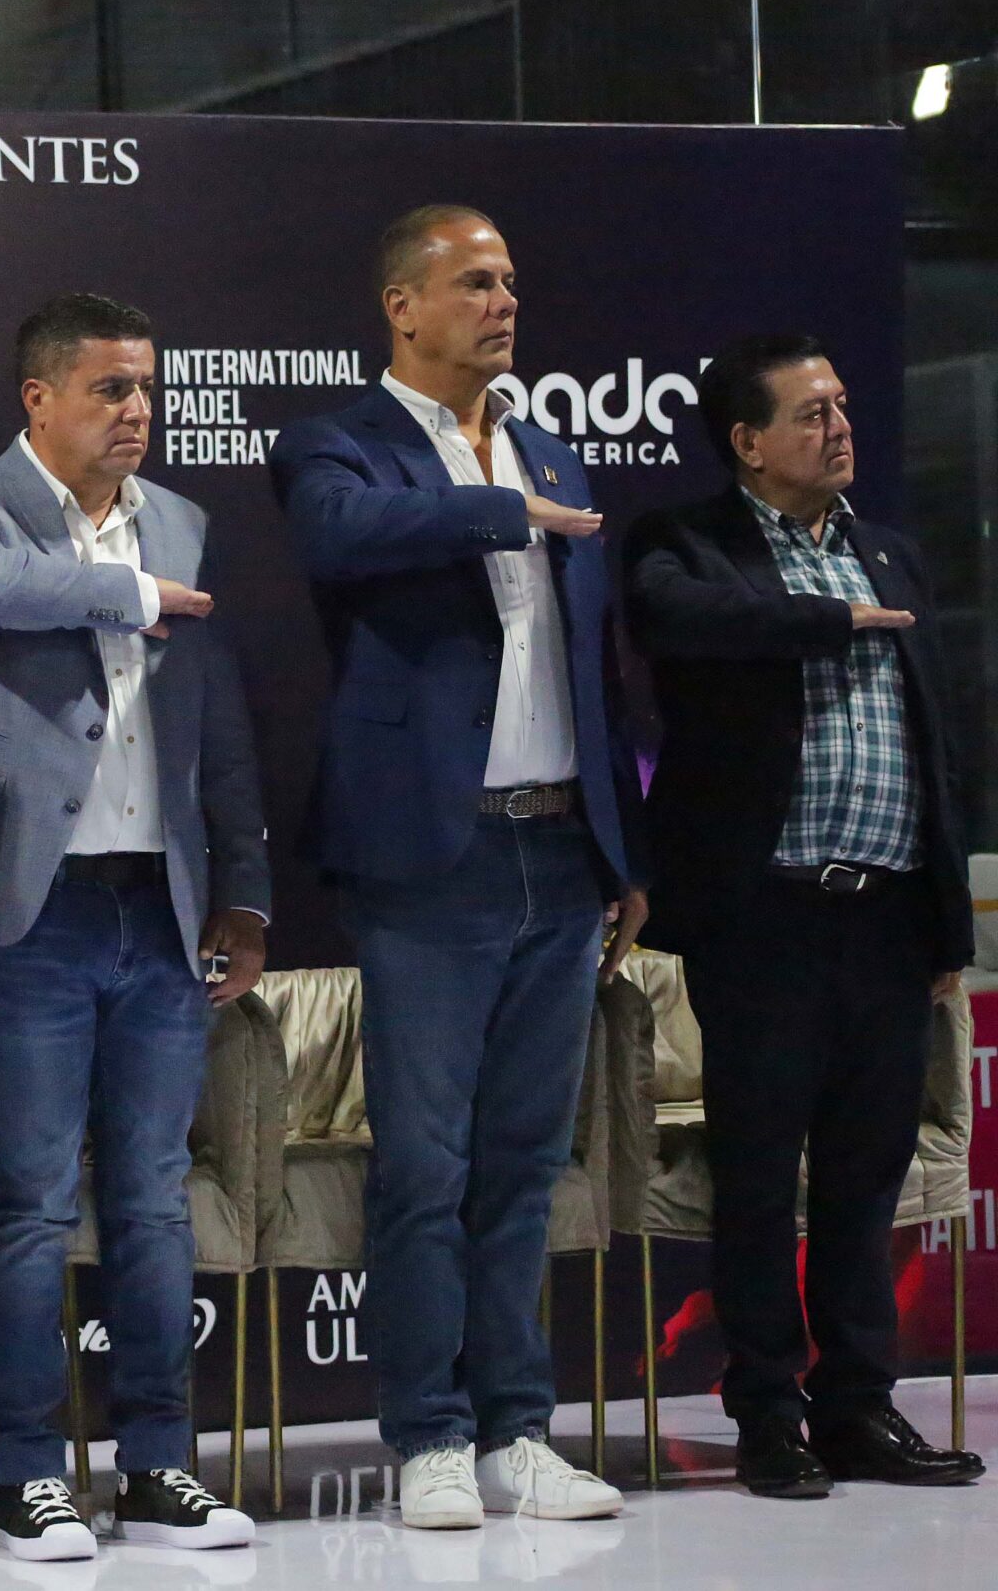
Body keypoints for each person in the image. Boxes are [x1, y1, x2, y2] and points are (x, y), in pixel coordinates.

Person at [268, 206, 643, 1528]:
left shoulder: (552, 449)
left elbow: (595, 668)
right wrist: (498, 507)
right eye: (475, 281)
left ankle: (516, 1429)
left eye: (510, 281)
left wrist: (618, 845)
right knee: (423, 1161)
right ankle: (426, 1430)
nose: (502, 302)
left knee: (524, 1161)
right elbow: (339, 539)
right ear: (403, 305)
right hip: (432, 854)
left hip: (559, 844)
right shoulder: (336, 443)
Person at [0, 294, 267, 1556]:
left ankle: (157, 1462)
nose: (136, 410)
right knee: (35, 1193)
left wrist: (245, 889)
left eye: (146, 387)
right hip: (30, 908)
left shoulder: (180, 519)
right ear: (39, 398)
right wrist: (127, 590)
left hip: (158, 903)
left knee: (155, 1196)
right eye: (110, 388)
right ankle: (27, 1471)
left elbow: (214, 719)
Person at [621, 335, 981, 1498]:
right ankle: (768, 1410)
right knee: (759, 1172)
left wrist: (946, 926)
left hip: (886, 917)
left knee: (866, 1175)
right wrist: (834, 621)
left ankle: (859, 1405)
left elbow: (934, 744)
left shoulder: (890, 553)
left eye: (839, 406)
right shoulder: (687, 546)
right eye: (811, 414)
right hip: (763, 918)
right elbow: (684, 624)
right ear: (746, 442)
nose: (839, 427)